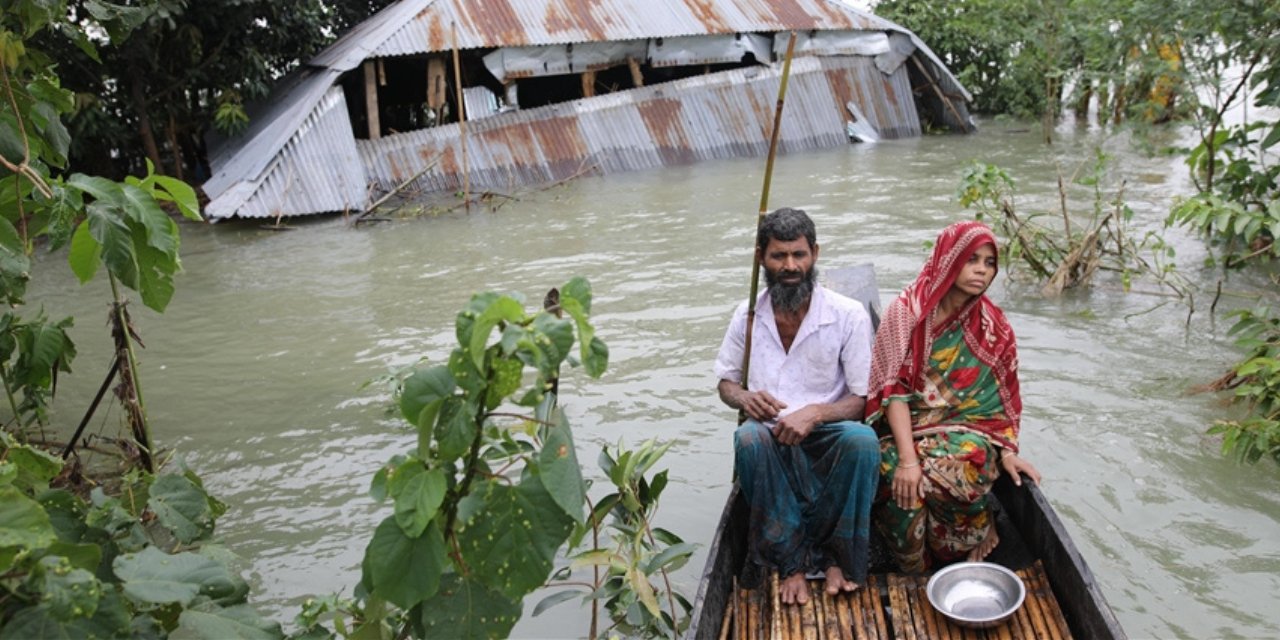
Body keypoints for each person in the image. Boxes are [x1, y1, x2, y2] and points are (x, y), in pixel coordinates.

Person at [714, 207, 879, 605]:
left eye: (799, 255)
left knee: (863, 442)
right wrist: (745, 397)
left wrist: (816, 413)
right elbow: (725, 383)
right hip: (771, 433)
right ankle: (792, 562)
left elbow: (860, 400)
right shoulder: (747, 315)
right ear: (761, 258)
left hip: (828, 431)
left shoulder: (848, 315)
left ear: (815, 254)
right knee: (748, 439)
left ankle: (840, 559)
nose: (790, 266)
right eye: (779, 256)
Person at [865, 220, 1042, 574]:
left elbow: (1002, 397)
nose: (981, 270)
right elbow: (892, 391)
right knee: (895, 481)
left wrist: (1007, 451)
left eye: (989, 263)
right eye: (971, 259)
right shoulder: (907, 312)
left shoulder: (994, 326)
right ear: (949, 259)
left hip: (965, 433)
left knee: (971, 461)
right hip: (902, 431)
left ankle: (968, 534)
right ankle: (915, 568)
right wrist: (907, 461)